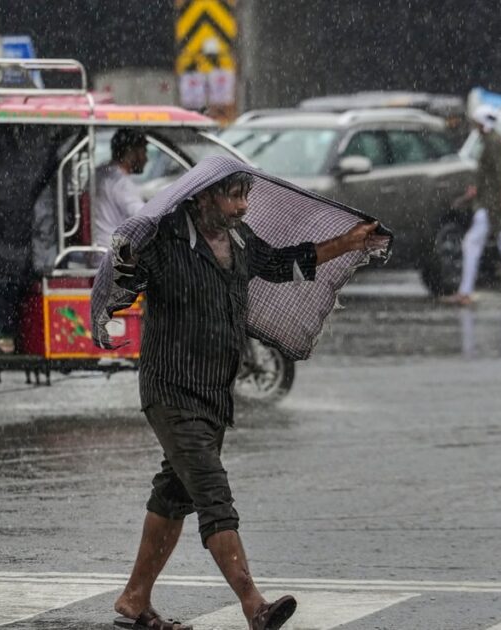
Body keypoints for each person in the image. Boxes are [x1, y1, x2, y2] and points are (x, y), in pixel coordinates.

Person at [97, 168, 389, 630]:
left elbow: (285, 263)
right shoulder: (165, 242)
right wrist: (124, 265)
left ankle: (134, 598)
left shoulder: (239, 241)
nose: (242, 207)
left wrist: (349, 242)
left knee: (174, 494)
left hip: (215, 392)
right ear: (203, 198)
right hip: (172, 391)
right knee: (213, 495)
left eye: (244, 197)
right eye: (233, 198)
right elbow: (128, 277)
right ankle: (255, 606)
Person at [446, 105, 501, 308]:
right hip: (492, 204)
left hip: (493, 206)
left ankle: (466, 292)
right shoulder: (493, 142)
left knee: (480, 245)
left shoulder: (495, 143)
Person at [93, 128, 148, 248]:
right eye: (144, 151)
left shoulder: (100, 173)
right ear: (130, 152)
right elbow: (144, 216)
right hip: (112, 252)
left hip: (98, 245)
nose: (146, 158)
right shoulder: (120, 182)